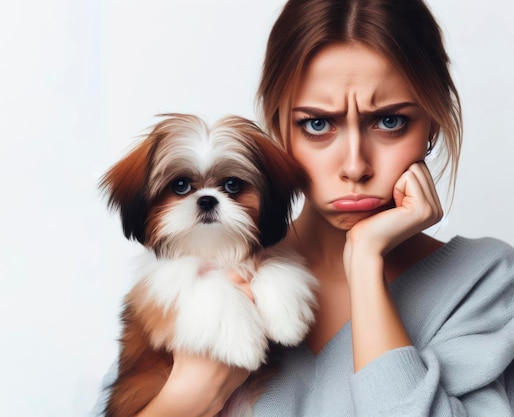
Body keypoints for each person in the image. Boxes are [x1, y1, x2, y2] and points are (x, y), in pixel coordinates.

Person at [98, 0, 514, 415]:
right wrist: (191, 393)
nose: (355, 165)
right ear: (278, 127)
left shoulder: (481, 282)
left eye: (390, 121)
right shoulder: (196, 266)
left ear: (433, 124)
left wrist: (365, 264)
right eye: (317, 123)